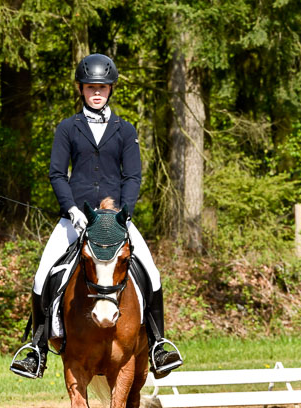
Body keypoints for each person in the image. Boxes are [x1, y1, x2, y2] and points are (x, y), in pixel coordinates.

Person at [10, 53, 183, 380]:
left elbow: (132, 177)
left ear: (111, 88)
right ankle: (36, 349)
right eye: (91, 87)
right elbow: (57, 174)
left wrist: (124, 213)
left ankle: (159, 343)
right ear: (82, 89)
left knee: (153, 275)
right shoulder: (67, 128)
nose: (97, 92)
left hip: (116, 221)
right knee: (41, 276)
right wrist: (72, 209)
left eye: (102, 87)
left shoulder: (125, 129)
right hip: (74, 219)